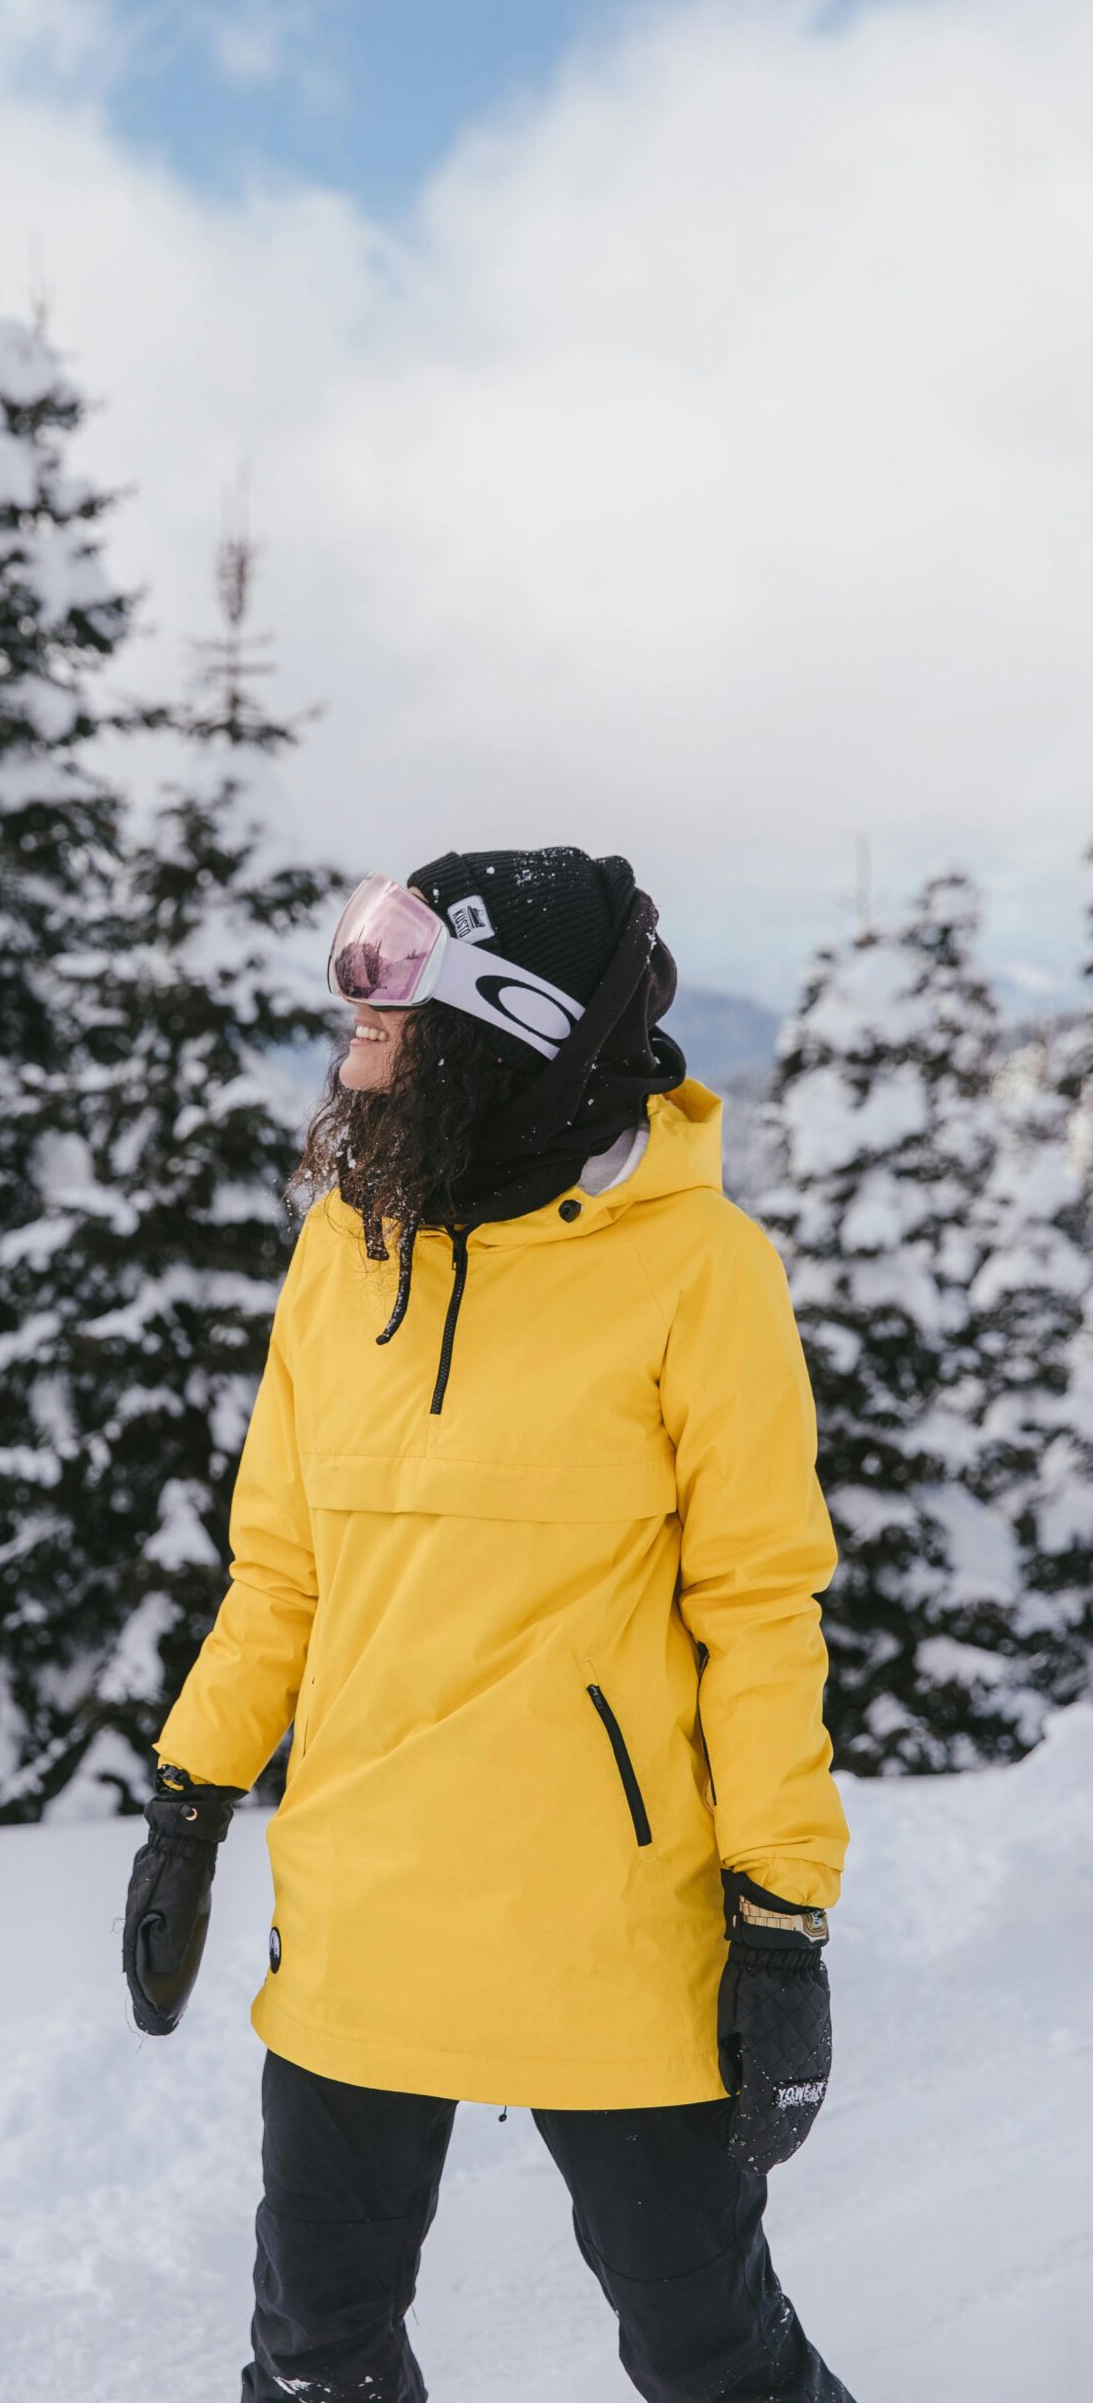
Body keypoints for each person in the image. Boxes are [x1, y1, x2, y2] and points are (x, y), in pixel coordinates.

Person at [121, 846, 855, 2403]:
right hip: (361, 1916)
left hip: (610, 1934)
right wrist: (188, 1801)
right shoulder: (343, 1249)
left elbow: (758, 1612)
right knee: (315, 2357)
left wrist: (780, 1922)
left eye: (389, 992)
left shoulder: (697, 1272)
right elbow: (283, 1572)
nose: (351, 1025)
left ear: (496, 1023)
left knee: (712, 2355)